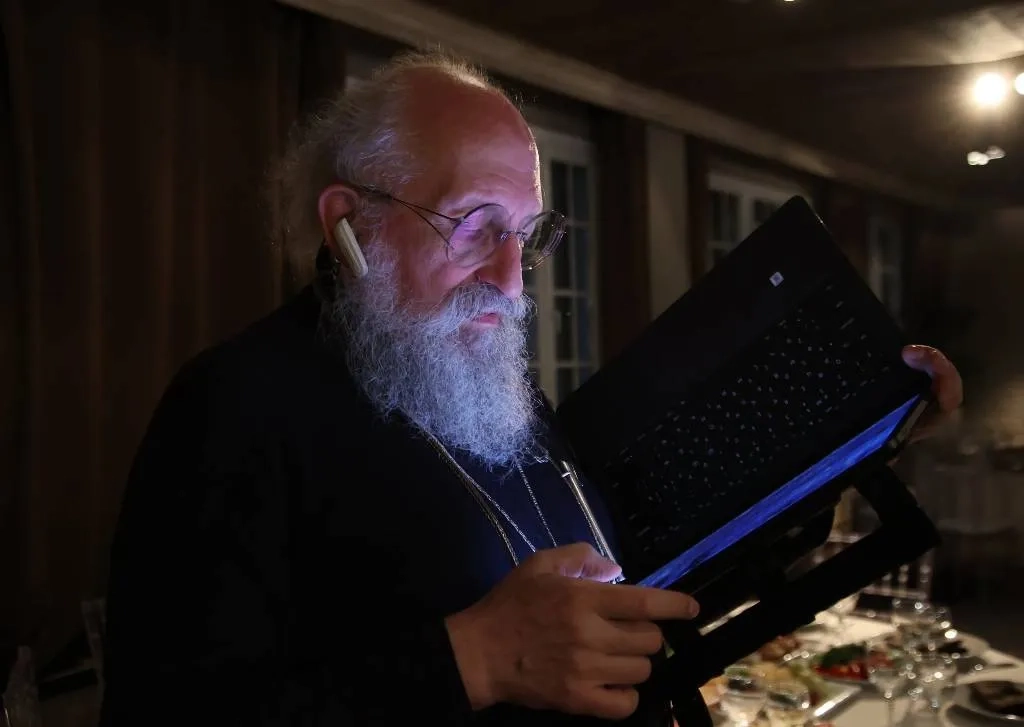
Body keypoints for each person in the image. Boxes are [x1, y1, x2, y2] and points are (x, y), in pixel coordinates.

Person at [99, 51, 963, 727]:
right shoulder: (236, 405)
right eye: (476, 226)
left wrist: (853, 439)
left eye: (526, 235)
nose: (513, 282)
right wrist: (475, 658)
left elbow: (653, 594)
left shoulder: (493, 394)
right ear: (349, 221)